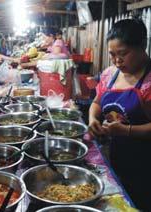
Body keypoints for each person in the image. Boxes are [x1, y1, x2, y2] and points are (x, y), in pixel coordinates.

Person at [88, 19, 151, 210]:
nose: (117, 61)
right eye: (112, 55)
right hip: (117, 155)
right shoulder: (110, 74)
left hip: (146, 163)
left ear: (142, 46)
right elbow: (97, 102)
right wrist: (92, 119)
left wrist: (126, 130)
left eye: (123, 54)